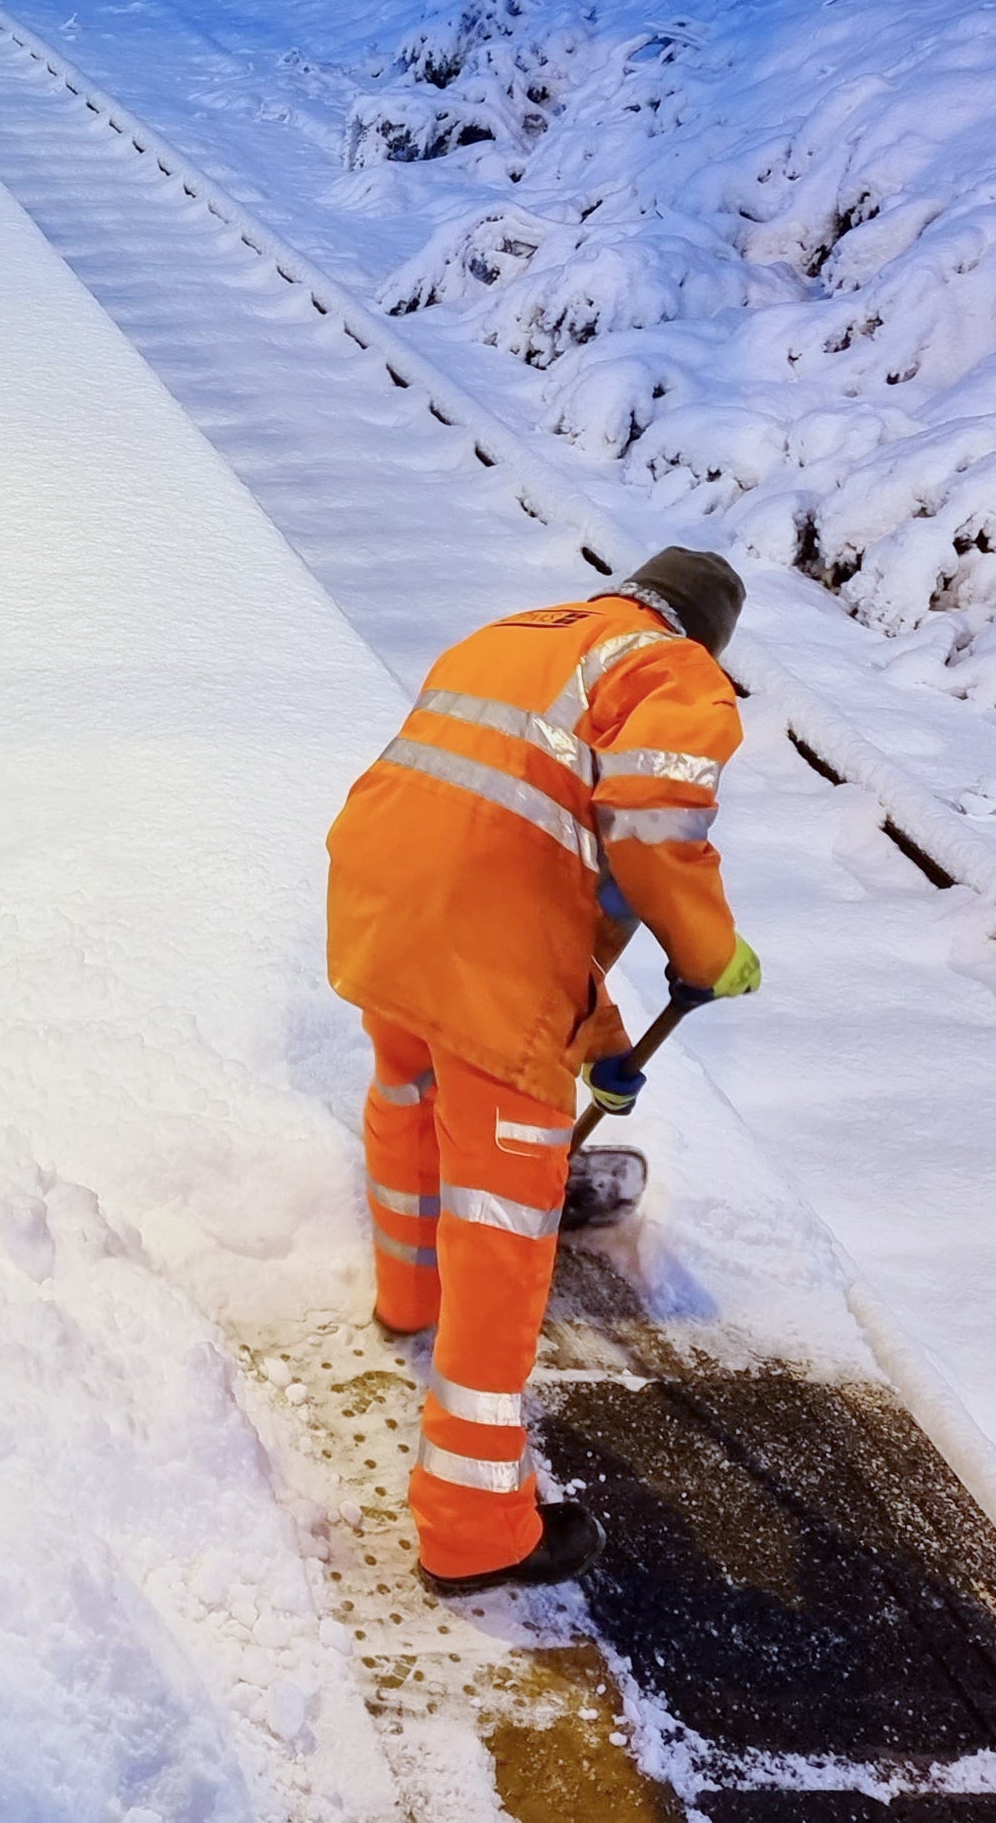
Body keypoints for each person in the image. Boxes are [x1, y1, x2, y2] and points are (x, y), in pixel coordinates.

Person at [324, 547, 763, 1594]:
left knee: (407, 1094)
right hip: (488, 952)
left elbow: (517, 850)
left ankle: (407, 1294)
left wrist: (600, 1043)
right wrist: (706, 951)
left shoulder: (517, 638)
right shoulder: (670, 672)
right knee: (503, 1227)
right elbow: (651, 828)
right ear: (704, 634)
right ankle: (475, 1528)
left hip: (386, 907)